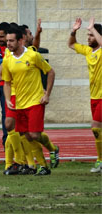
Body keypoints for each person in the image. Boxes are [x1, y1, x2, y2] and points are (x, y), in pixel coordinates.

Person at [2, 27, 55, 176]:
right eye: (7, 41)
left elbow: (50, 72)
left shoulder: (33, 56)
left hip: (35, 101)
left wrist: (47, 94)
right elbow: (6, 82)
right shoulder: (8, 60)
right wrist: (7, 99)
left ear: (20, 40)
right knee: (26, 135)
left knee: (34, 135)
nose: (8, 44)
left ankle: (52, 148)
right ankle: (43, 166)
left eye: (11, 40)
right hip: (19, 103)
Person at [68, 17, 102, 173]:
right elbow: (71, 44)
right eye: (88, 35)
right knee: (98, 130)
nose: (88, 38)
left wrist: (93, 27)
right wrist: (74, 31)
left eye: (91, 35)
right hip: (94, 96)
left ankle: (100, 161)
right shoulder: (89, 51)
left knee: (95, 128)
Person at [0, 22, 10, 149]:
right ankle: (6, 144)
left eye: (1, 36)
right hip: (4, 85)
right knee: (6, 115)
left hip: (18, 86)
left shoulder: (15, 45)